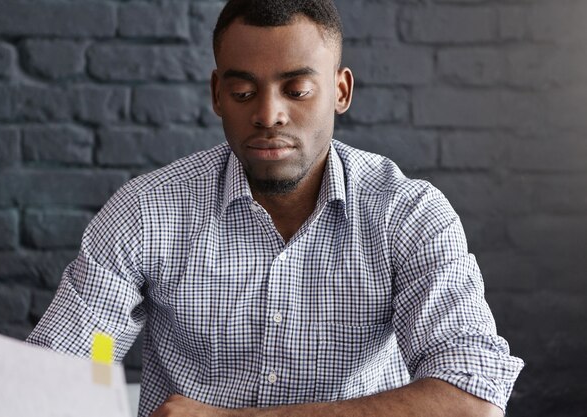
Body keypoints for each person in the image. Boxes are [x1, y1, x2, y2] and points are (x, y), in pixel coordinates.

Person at [27, 1, 524, 416]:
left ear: (341, 91)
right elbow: (72, 363)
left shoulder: (408, 214)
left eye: (297, 90)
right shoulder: (147, 212)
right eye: (244, 92)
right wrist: (94, 379)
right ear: (217, 94)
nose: (267, 114)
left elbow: (472, 397)